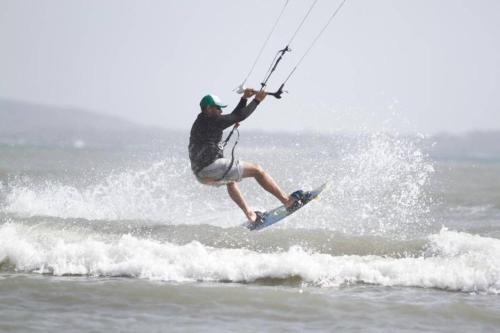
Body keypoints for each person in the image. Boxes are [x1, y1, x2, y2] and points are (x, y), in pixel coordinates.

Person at [188, 88, 303, 227]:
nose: (221, 111)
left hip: (201, 175)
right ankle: (287, 201)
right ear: (208, 108)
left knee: (231, 181)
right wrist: (256, 101)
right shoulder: (212, 120)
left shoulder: (202, 121)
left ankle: (250, 215)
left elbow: (235, 116)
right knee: (258, 171)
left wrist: (244, 99)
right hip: (211, 167)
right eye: (218, 108)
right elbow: (238, 116)